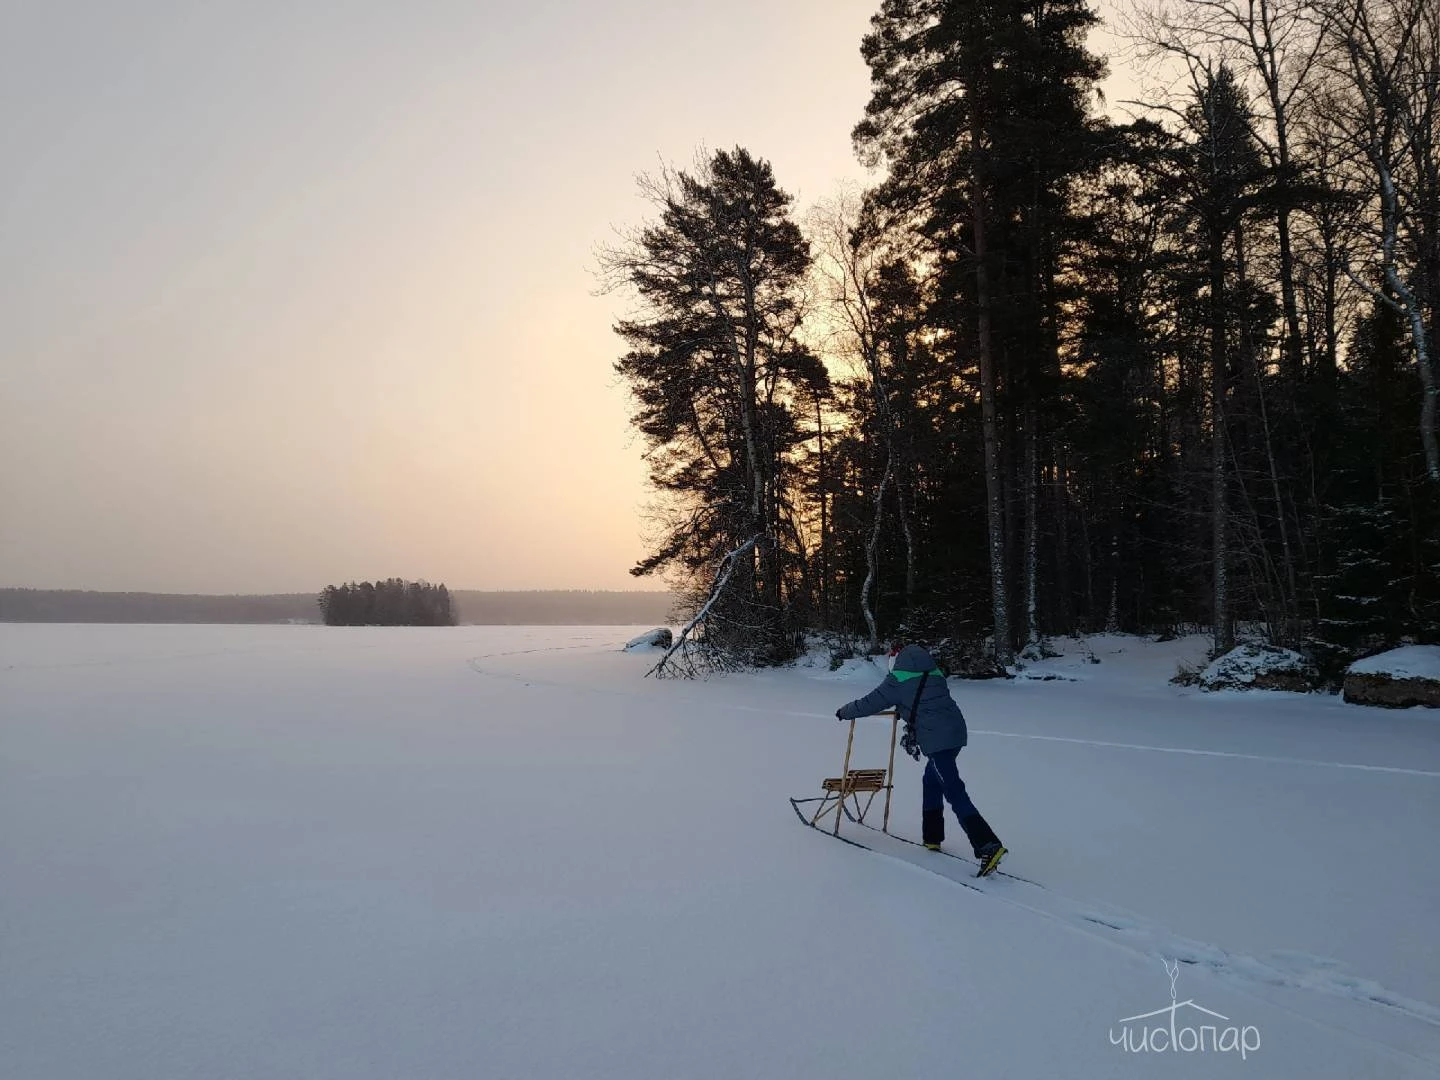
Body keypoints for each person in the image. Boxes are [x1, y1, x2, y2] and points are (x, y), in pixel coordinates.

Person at [835, 643, 1007, 876]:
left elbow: (871, 702)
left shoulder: (897, 680)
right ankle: (932, 837)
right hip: (955, 732)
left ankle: (988, 844)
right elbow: (923, 700)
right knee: (931, 780)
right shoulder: (934, 673)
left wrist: (845, 711)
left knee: (954, 791)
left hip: (937, 740)